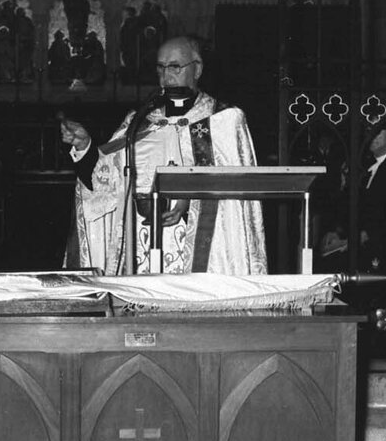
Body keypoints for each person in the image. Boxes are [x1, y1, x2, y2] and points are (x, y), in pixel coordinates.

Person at [60, 36, 267, 275]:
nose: (166, 75)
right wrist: (85, 146)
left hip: (202, 250)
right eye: (160, 67)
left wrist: (190, 200)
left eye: (175, 66)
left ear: (197, 69)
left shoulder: (223, 120)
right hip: (139, 248)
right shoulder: (140, 122)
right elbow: (103, 181)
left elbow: (235, 198)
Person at [321, 119, 386, 275]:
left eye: (378, 131)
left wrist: (356, 238)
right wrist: (338, 231)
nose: (372, 136)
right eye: (369, 130)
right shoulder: (366, 164)